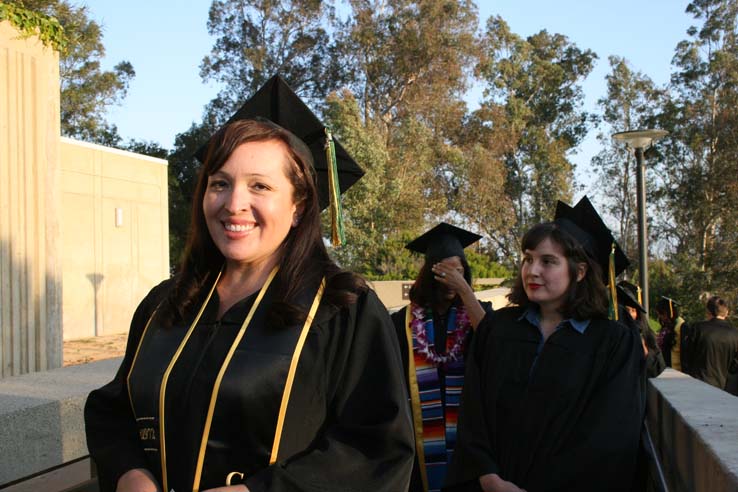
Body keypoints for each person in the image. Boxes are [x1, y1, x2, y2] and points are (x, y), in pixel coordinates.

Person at [84, 75, 414, 492]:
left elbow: (377, 451)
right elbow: (114, 410)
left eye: (260, 185)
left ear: (299, 206)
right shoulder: (165, 306)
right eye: (219, 183)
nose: (233, 202)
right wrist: (130, 473)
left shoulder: (341, 310)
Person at [446, 196, 645, 492]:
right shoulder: (497, 329)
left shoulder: (613, 343)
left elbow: (610, 434)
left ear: (579, 271)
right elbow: (473, 412)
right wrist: (487, 476)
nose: (532, 271)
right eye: (528, 258)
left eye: (548, 261)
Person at [390, 223, 494, 492]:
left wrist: (464, 291)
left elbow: (491, 342)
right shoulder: (403, 322)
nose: (453, 278)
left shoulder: (478, 312)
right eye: (446, 271)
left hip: (469, 434)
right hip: (419, 438)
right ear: (430, 273)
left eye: (459, 271)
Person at [689, 296, 738, 395]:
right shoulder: (735, 333)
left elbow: (688, 357)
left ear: (708, 311)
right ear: (726, 312)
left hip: (698, 385)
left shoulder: (697, 329)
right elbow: (735, 365)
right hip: (724, 388)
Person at [617, 280, 666, 378]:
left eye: (633, 310)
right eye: (626, 310)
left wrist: (645, 352)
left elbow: (657, 369)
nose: (630, 315)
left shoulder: (644, 334)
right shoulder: (610, 333)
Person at [654, 297, 686, 370]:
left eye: (660, 314)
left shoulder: (681, 326)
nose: (659, 317)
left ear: (666, 313)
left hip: (676, 369)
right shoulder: (668, 325)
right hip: (666, 366)